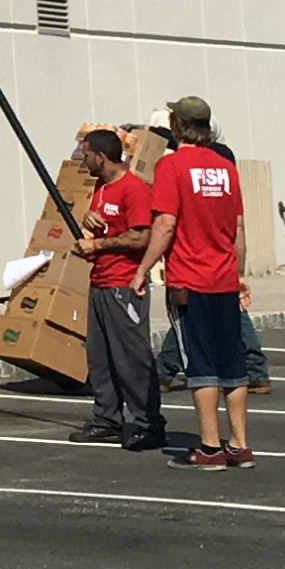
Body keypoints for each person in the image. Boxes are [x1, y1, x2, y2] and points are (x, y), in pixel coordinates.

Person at [138, 94, 253, 470]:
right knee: (232, 364)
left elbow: (166, 223)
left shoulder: (171, 167)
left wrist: (143, 268)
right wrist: (238, 274)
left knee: (200, 363)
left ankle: (208, 447)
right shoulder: (226, 168)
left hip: (190, 280)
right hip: (223, 278)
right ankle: (238, 444)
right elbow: (238, 228)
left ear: (177, 126)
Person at [71, 129, 167, 450]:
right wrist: (89, 224)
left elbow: (141, 237)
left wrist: (98, 243)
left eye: (85, 154)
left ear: (100, 156)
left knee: (131, 357)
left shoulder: (134, 190)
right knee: (100, 358)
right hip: (99, 282)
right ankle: (107, 418)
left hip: (124, 286)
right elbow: (104, 226)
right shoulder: (101, 187)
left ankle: (148, 423)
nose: (82, 160)